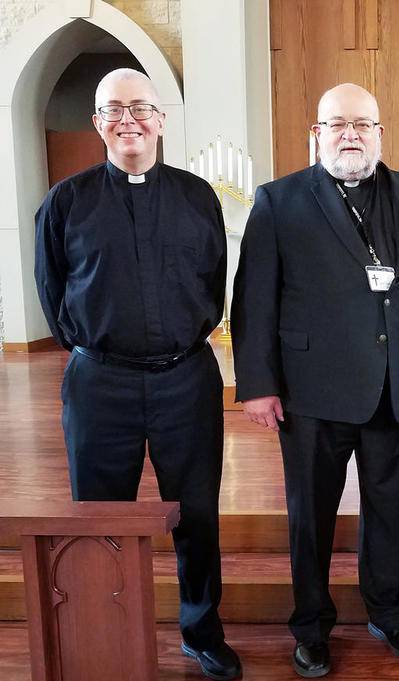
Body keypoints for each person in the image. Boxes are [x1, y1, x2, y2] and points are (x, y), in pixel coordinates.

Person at [231, 82, 399, 678]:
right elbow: (253, 297)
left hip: (396, 388)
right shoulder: (279, 201)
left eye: (363, 124)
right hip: (311, 391)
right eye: (338, 124)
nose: (351, 134)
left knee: (393, 511)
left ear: (380, 133)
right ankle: (310, 624)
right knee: (311, 517)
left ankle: (389, 610)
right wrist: (256, 383)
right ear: (317, 134)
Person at [34, 68, 241, 681]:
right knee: (100, 518)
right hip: (101, 384)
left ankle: (202, 631)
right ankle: (106, 631)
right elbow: (53, 295)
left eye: (140, 108)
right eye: (113, 110)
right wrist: (97, 350)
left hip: (186, 381)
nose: (129, 120)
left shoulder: (198, 196)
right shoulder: (64, 202)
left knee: (197, 514)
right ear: (98, 123)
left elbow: (212, 283)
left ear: (161, 119)